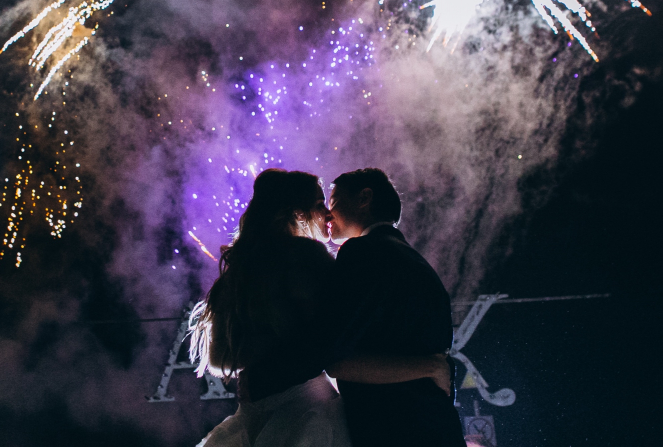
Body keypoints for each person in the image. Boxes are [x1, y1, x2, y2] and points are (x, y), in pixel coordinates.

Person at [190, 169, 450, 447]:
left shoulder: (236, 271)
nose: (327, 213)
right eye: (319, 204)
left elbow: (219, 358)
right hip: (307, 405)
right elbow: (329, 343)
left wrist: (259, 371)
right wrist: (429, 367)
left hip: (254, 412)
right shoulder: (309, 257)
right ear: (298, 213)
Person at [325, 168, 467, 447]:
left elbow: (339, 360)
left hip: (393, 428)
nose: (328, 215)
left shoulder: (361, 251)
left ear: (364, 198)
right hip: (432, 426)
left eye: (334, 203)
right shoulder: (411, 258)